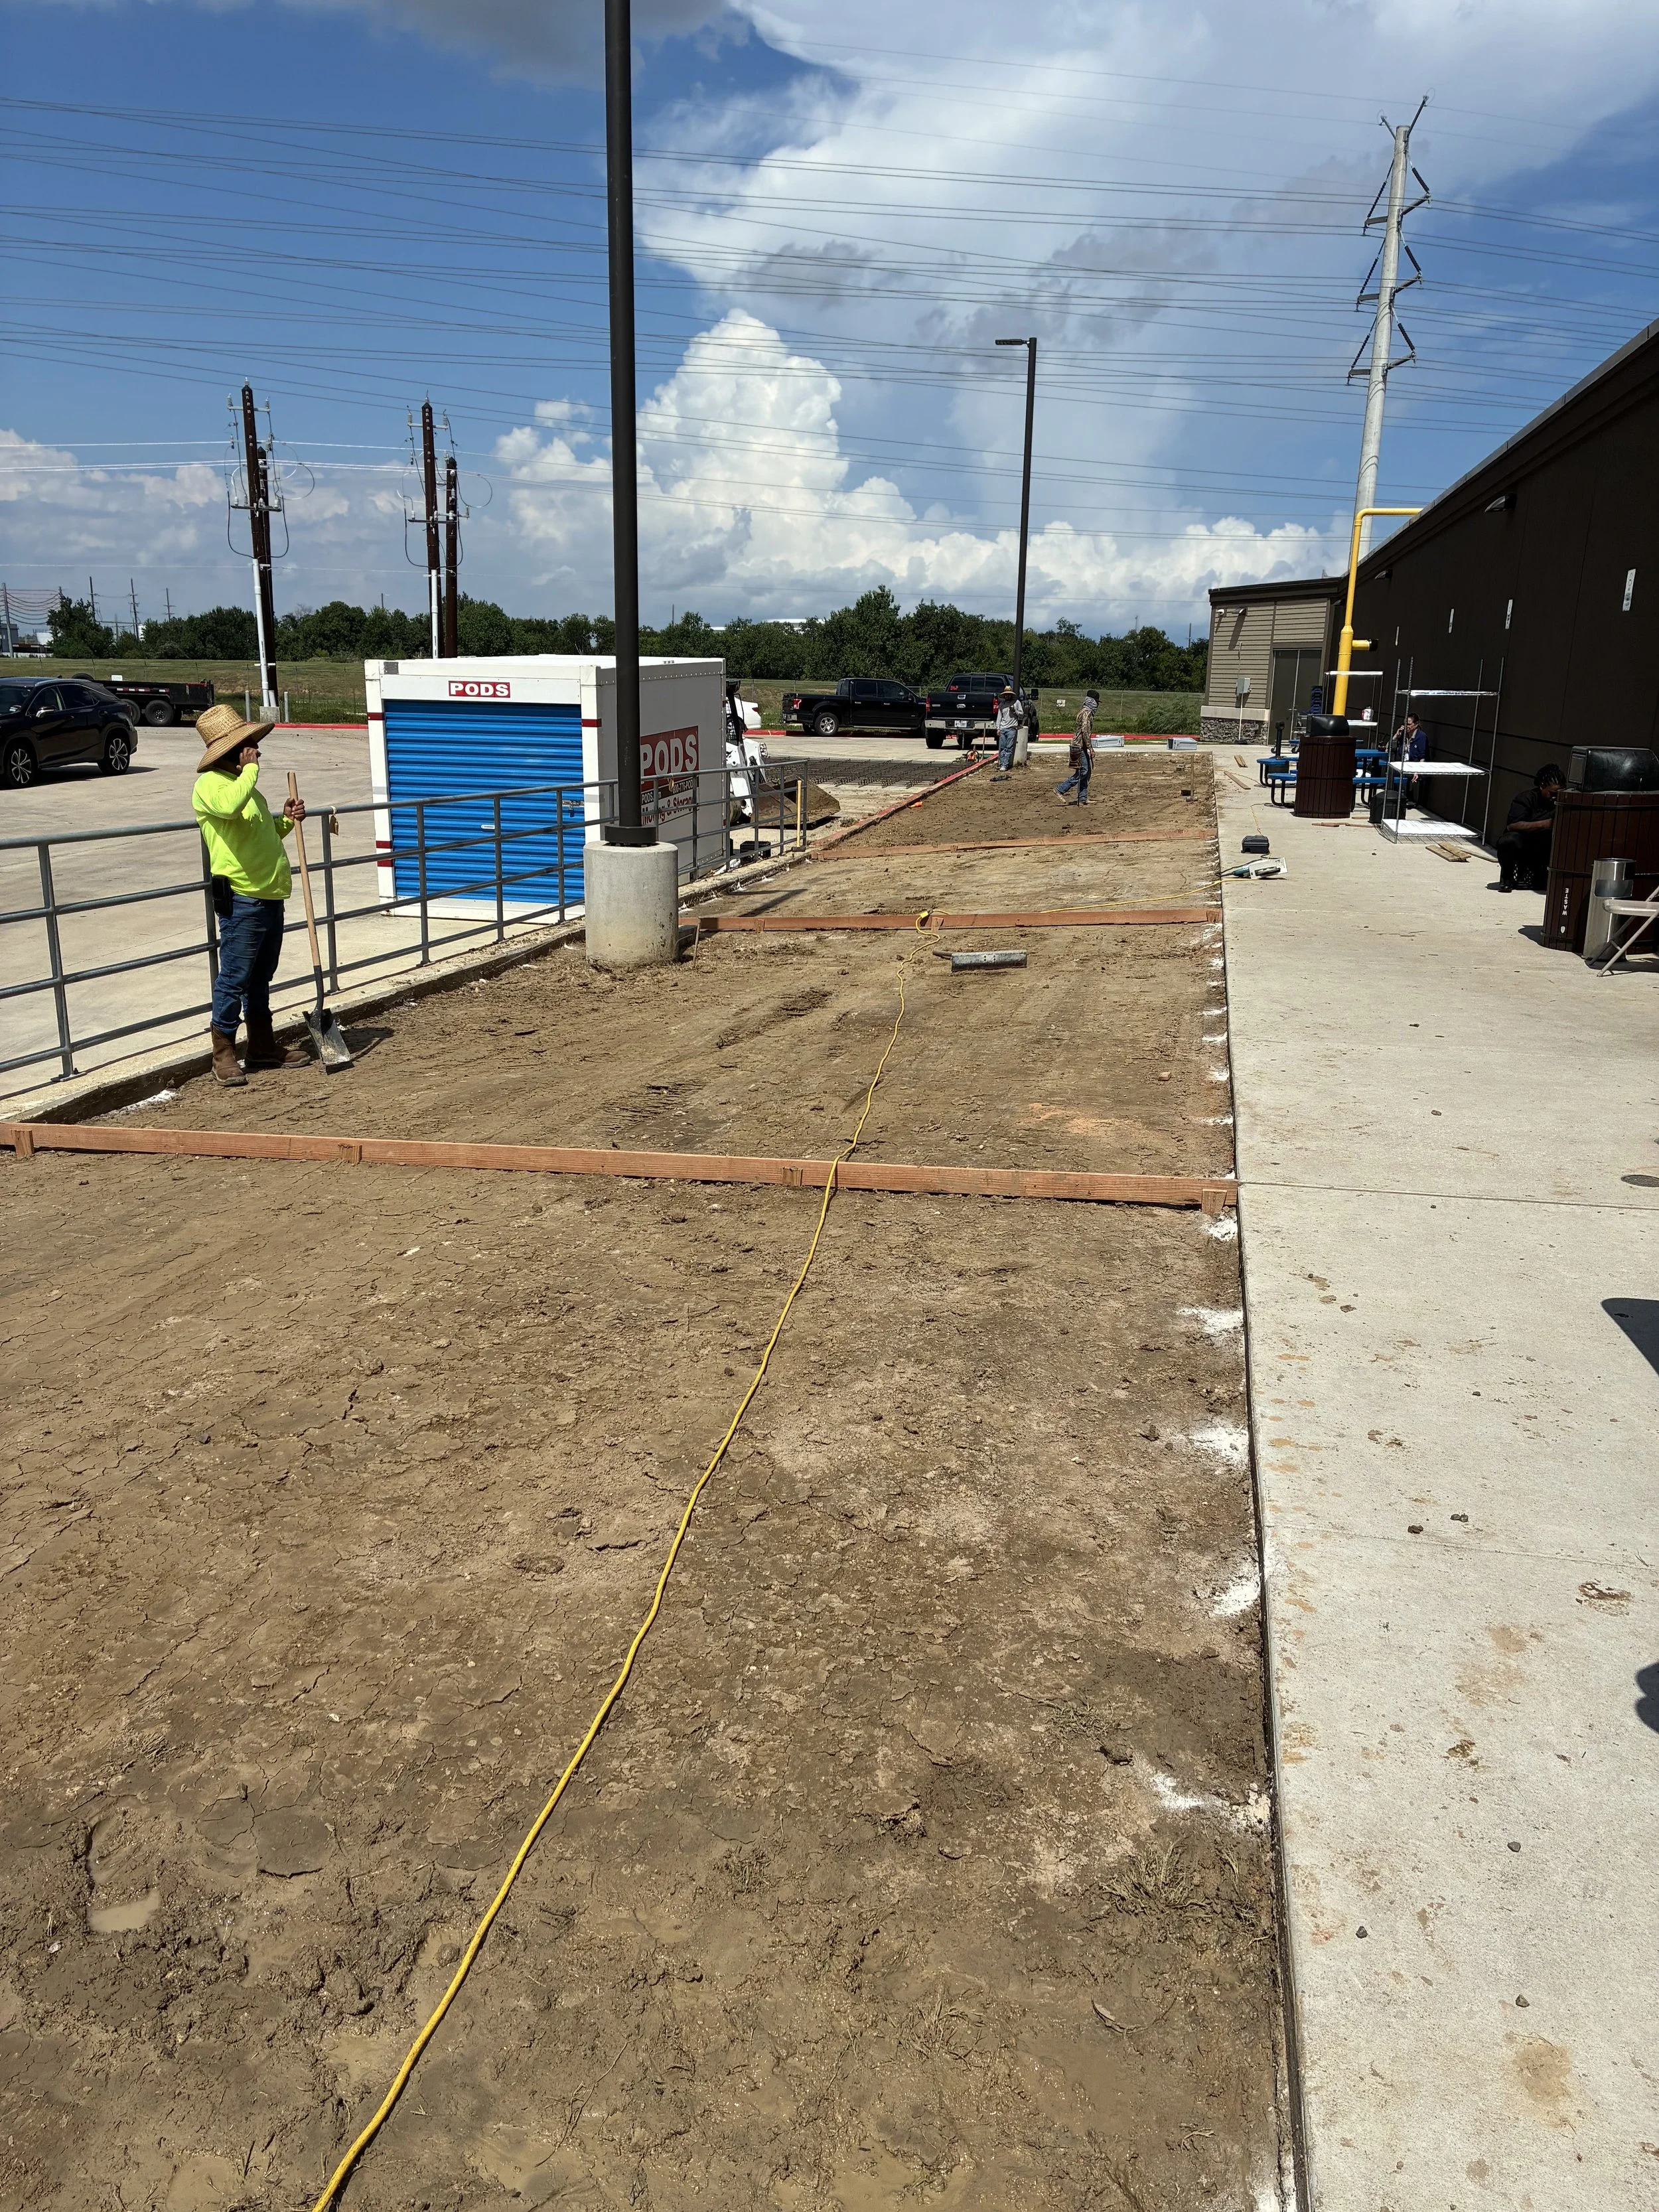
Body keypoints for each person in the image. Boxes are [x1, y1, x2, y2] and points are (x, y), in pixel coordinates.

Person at [191, 701, 309, 1084]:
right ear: (231, 750)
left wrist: (286, 820)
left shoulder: (246, 788)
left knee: (261, 975)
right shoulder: (211, 785)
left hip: (269, 892)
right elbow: (228, 809)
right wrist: (252, 771)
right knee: (235, 976)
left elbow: (263, 833)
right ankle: (223, 1052)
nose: (254, 751)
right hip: (242, 895)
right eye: (247, 746)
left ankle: (261, 1046)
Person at [1494, 763, 1563, 893]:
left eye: (1558, 793)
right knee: (1508, 840)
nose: (1555, 797)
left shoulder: (1560, 803)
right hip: (1524, 845)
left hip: (1545, 850)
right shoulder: (1526, 799)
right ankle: (1507, 878)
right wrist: (1547, 824)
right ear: (1542, 786)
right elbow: (1513, 826)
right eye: (1553, 793)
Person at [1057, 691, 1097, 804]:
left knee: (1086, 771)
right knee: (1083, 772)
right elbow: (1085, 731)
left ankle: (1083, 798)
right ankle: (1061, 789)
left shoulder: (1083, 712)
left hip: (1078, 746)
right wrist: (1090, 748)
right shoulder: (1087, 714)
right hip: (1079, 746)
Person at [993, 685, 1021, 775]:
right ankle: (1001, 763)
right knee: (1002, 747)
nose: (1007, 696)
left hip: (1012, 728)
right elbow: (999, 718)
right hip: (1003, 728)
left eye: (1009, 695)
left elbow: (1021, 714)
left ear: (1011, 695)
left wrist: (1015, 711)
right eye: (1006, 695)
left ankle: (1005, 764)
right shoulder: (1002, 705)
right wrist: (998, 728)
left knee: (1009, 748)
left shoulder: (1017, 703)